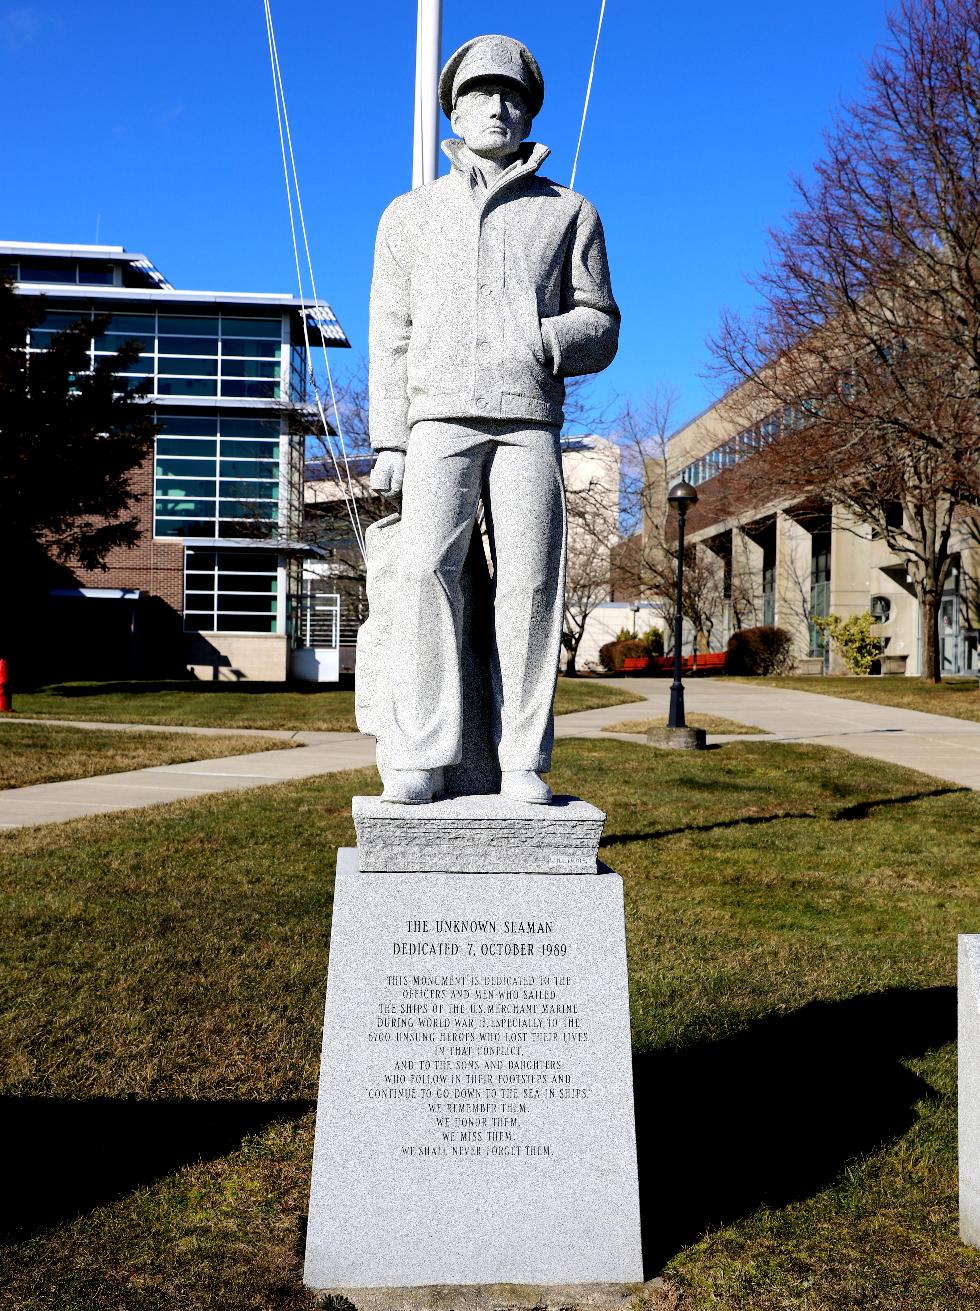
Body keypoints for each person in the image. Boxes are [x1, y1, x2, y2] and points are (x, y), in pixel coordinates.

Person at [367, 34, 619, 805]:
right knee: (421, 575)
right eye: (480, 92)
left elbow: (602, 323)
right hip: (437, 419)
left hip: (528, 420)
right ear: (454, 107)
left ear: (528, 110)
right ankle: (423, 750)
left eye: (511, 95)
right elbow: (390, 331)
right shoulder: (408, 217)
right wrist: (388, 437)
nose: (497, 106)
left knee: (531, 585)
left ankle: (522, 758)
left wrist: (545, 339)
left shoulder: (569, 211)